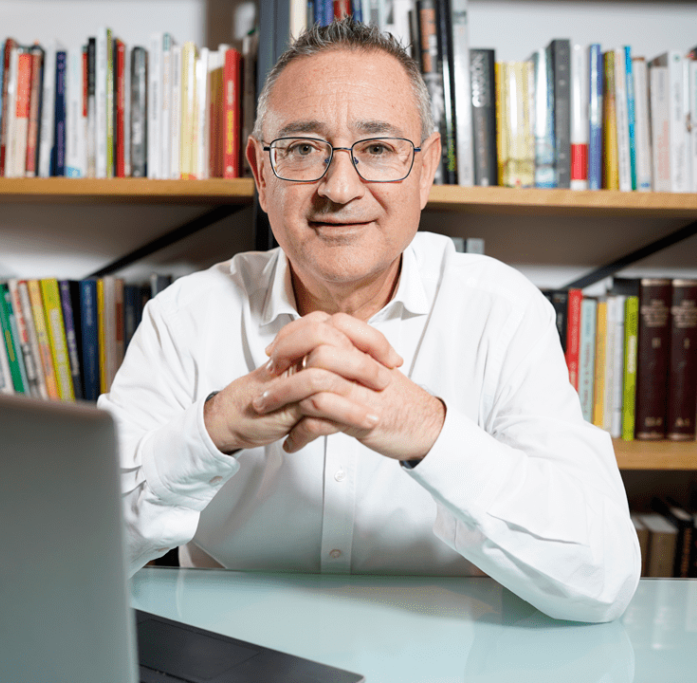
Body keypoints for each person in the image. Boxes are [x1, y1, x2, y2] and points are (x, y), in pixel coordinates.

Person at [100, 19, 641, 623]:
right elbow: (76, 553)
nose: (339, 188)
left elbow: (603, 582)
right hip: (232, 652)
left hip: (440, 657)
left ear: (426, 169)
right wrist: (214, 429)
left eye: (378, 150)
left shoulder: (502, 311)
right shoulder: (184, 317)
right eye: (302, 149)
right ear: (260, 171)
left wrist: (429, 432)